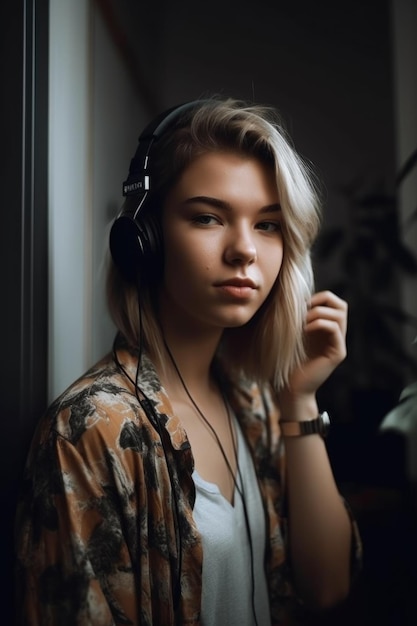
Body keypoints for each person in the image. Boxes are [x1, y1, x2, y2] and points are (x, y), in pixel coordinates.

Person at [15, 96, 362, 626]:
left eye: (268, 225)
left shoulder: (252, 401)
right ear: (144, 239)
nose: (245, 249)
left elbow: (329, 587)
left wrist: (300, 401)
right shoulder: (93, 430)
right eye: (208, 217)